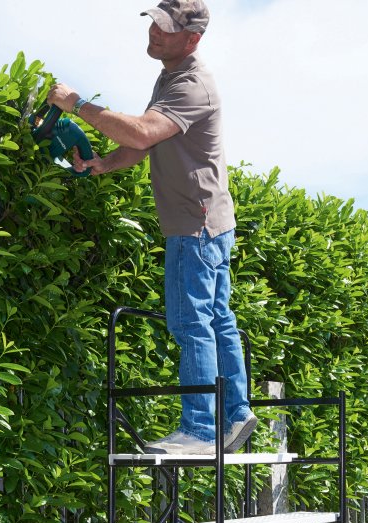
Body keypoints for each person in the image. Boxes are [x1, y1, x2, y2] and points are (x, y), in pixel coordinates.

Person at [47, 0, 257, 454]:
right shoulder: (171, 77)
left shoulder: (193, 84)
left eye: (166, 27)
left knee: (190, 322)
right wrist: (105, 163)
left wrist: (76, 104)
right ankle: (236, 413)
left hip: (194, 225)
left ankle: (200, 430)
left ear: (192, 38)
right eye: (155, 22)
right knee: (217, 319)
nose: (155, 32)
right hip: (209, 221)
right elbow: (145, 144)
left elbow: (142, 131)